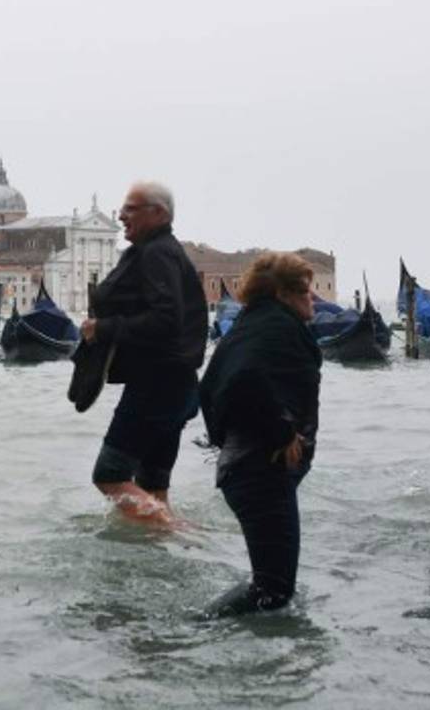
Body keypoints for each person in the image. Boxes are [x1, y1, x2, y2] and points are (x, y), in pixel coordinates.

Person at [200, 252, 321, 615]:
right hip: (259, 471)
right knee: (273, 591)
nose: (313, 298)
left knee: (272, 586)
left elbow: (208, 389)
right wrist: (280, 433)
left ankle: (203, 628)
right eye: (305, 291)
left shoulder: (249, 325)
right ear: (282, 294)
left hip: (246, 468)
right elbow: (243, 380)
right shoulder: (277, 327)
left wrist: (225, 438)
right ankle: (192, 632)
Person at [80, 181, 207, 526]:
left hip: (156, 386)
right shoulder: (164, 251)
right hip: (178, 387)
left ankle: (182, 536)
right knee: (152, 487)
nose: (121, 216)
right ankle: (170, 545)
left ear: (159, 213)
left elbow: (165, 319)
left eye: (130, 209)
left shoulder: (156, 254)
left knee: (109, 474)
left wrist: (102, 328)